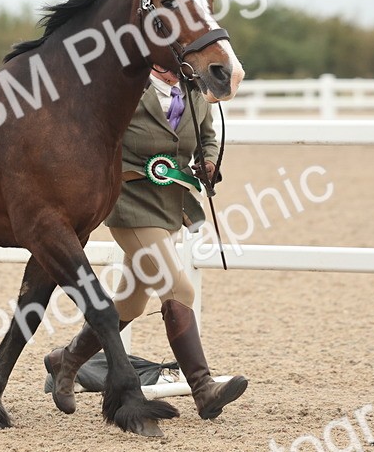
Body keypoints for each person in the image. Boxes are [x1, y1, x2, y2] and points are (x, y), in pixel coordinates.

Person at [44, 65, 248, 420]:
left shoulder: (194, 91)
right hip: (127, 201)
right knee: (178, 287)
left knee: (130, 304)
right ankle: (203, 388)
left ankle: (67, 359)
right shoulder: (129, 88)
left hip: (168, 206)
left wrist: (209, 161)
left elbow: (207, 137)